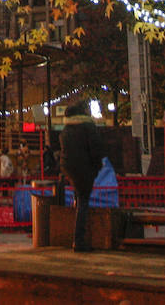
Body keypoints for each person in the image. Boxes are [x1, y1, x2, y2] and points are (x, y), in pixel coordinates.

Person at [58, 99, 108, 252]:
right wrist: (97, 166)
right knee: (83, 202)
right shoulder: (88, 127)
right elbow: (96, 148)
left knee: (79, 197)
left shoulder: (66, 130)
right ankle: (79, 240)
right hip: (85, 168)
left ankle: (75, 234)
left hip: (70, 168)